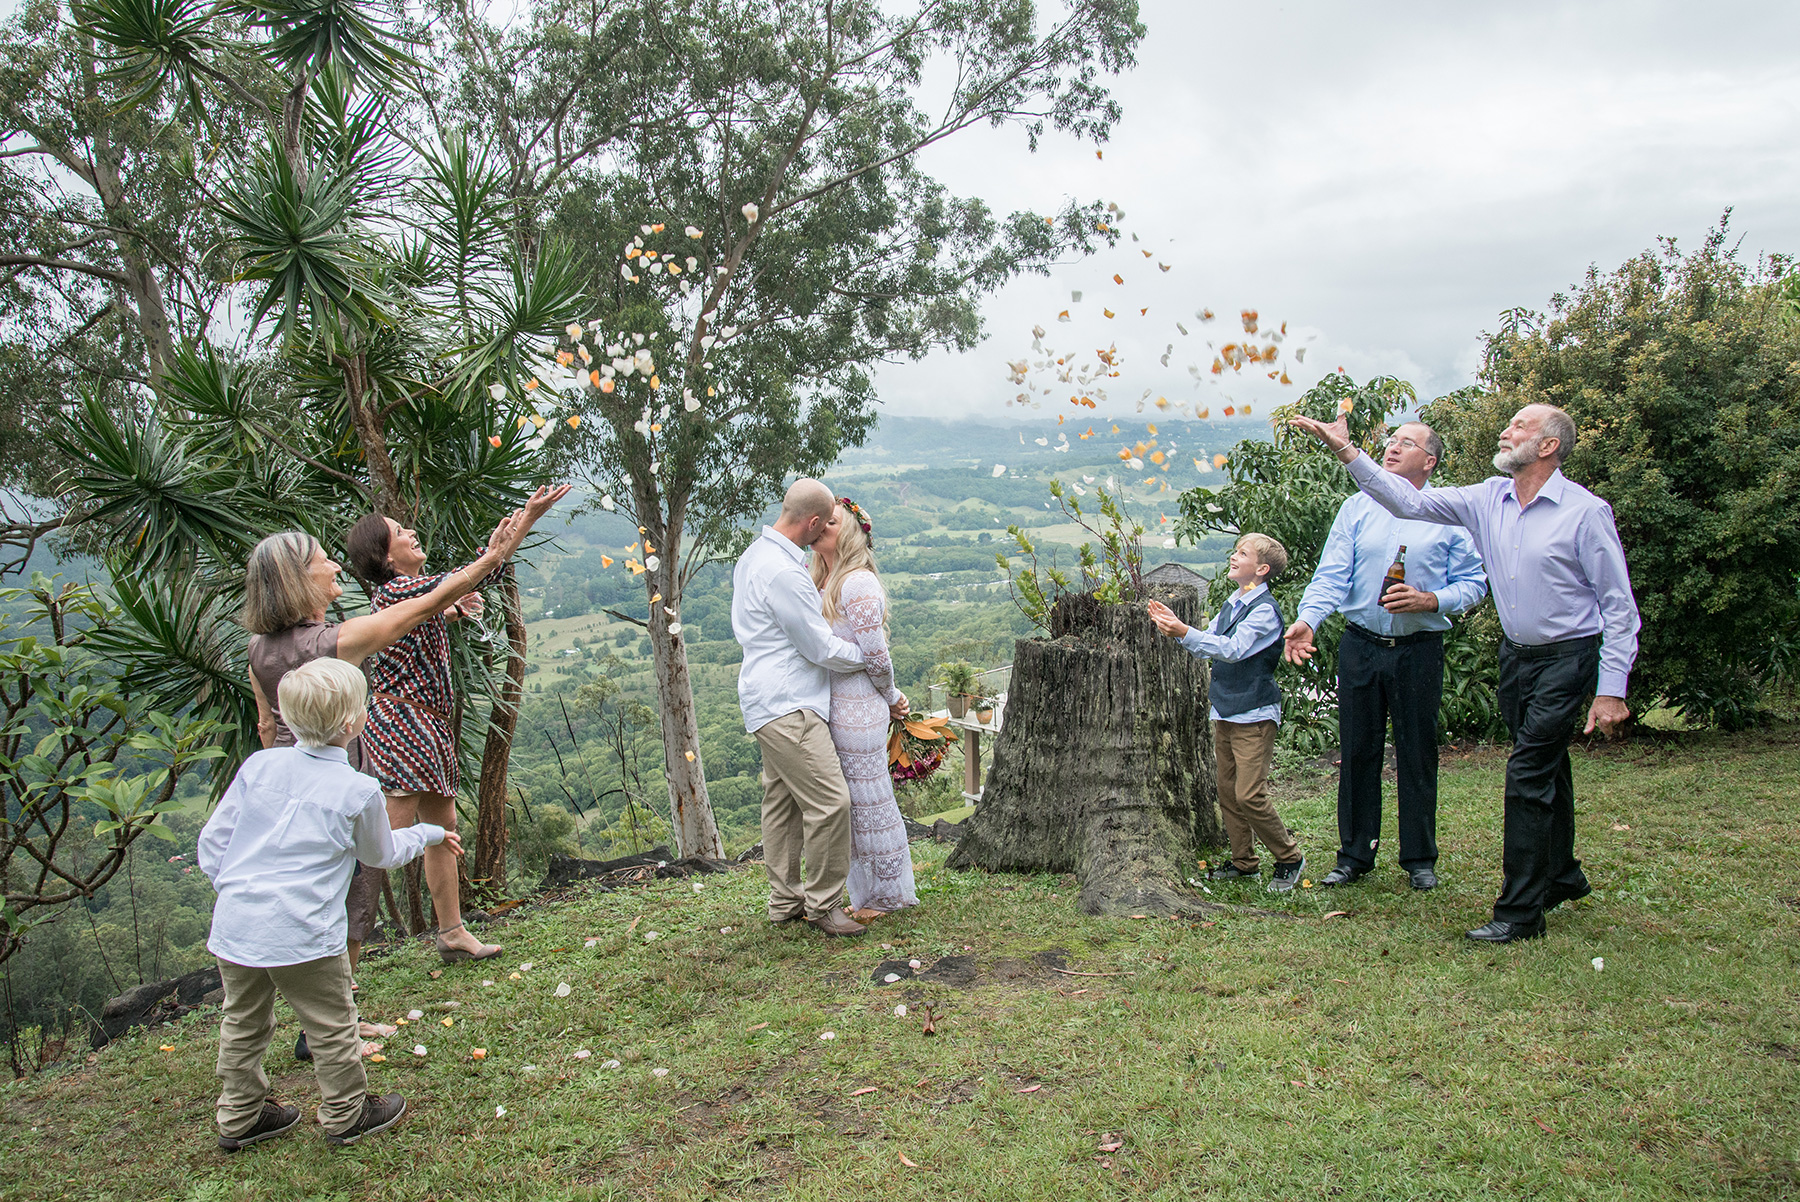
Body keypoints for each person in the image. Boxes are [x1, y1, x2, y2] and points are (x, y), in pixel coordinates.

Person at [1290, 405, 1639, 942]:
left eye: (1521, 426)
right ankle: (1563, 873)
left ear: (1548, 446)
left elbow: (1617, 606)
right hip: (1515, 657)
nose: (1507, 430)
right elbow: (1403, 500)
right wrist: (1344, 449)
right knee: (1547, 765)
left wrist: (1611, 689)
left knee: (1526, 774)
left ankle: (1519, 912)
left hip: (1566, 655)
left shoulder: (1585, 513)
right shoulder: (1485, 499)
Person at [241, 483, 567, 1053]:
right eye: (321, 562)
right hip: (358, 751)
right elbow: (443, 592)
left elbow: (268, 727)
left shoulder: (257, 649)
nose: (332, 566)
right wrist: (508, 541)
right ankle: (330, 1019)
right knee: (363, 872)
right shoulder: (341, 634)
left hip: (296, 774)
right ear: (298, 579)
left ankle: (445, 935)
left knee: (417, 839)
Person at [199, 657, 459, 1151]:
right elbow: (380, 853)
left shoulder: (260, 765)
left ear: (288, 718)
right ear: (353, 722)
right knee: (331, 1023)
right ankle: (346, 1113)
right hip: (305, 932)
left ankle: (238, 1116)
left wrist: (235, 890)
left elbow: (214, 842)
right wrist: (429, 833)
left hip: (236, 924)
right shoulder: (357, 789)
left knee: (243, 1021)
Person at [1285, 421, 1488, 892]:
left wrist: (1431, 599)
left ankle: (1420, 858)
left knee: (1417, 752)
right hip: (1361, 644)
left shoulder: (1449, 514)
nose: (1393, 448)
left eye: (1406, 443)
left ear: (1430, 461)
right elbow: (1332, 575)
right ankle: (1354, 856)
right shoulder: (1357, 507)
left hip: (1419, 649)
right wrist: (1309, 619)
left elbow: (1475, 584)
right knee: (1357, 750)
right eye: (1390, 441)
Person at [732, 479, 903, 936]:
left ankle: (784, 902)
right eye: (825, 521)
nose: (827, 527)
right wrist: (867, 661)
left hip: (764, 699)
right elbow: (819, 648)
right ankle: (824, 905)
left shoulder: (755, 556)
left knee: (782, 803)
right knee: (831, 802)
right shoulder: (786, 573)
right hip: (791, 705)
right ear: (810, 522)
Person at [345, 512, 505, 964]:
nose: (411, 532)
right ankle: (344, 957)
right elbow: (455, 584)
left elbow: (459, 588)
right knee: (382, 841)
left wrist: (494, 553)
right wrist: (521, 525)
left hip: (429, 723)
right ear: (385, 556)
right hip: (402, 724)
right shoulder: (396, 591)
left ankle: (451, 931)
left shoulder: (414, 595)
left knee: (443, 831)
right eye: (399, 532)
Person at [1147, 534, 1307, 893]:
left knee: (1250, 793)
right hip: (1226, 710)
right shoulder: (1233, 603)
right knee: (1228, 791)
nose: (1234, 557)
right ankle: (1244, 862)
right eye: (1236, 551)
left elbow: (1232, 650)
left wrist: (1184, 631)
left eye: (1242, 553)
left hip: (1254, 714)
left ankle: (1289, 858)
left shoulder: (1264, 611)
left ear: (1261, 569)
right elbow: (1209, 646)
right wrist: (1178, 629)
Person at [810, 496, 917, 921]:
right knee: (851, 808)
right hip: (832, 706)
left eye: (831, 523)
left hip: (859, 711)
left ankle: (887, 896)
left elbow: (877, 656)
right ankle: (864, 893)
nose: (821, 528)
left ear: (850, 531)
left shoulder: (857, 583)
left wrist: (892, 697)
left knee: (871, 803)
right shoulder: (820, 577)